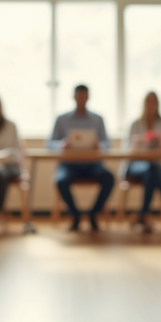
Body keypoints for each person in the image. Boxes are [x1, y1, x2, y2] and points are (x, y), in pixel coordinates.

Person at [49, 84, 115, 231]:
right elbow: (49, 144)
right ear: (74, 97)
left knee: (109, 178)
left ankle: (93, 213)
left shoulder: (98, 120)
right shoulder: (61, 119)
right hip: (69, 165)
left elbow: (107, 145)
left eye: (83, 96)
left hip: (93, 165)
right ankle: (76, 214)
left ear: (88, 97)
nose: (81, 99)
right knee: (60, 180)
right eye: (78, 96)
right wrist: (61, 145)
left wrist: (100, 145)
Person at [123, 92, 161, 233]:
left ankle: (143, 215)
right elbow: (125, 149)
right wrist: (136, 143)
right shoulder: (135, 124)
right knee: (151, 169)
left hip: (156, 166)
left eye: (154, 102)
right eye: (148, 102)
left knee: (151, 172)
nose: (151, 105)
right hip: (136, 165)